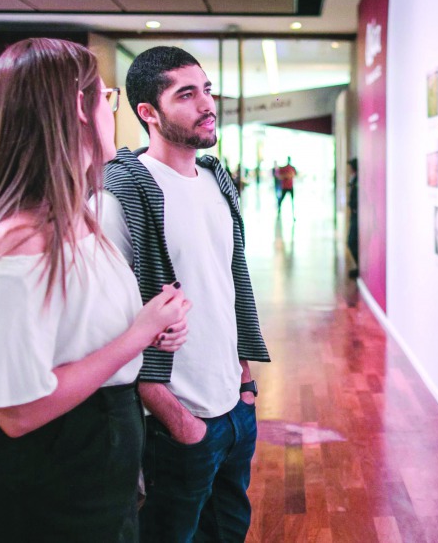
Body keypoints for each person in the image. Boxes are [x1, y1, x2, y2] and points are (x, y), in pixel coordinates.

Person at [0, 38, 190, 542]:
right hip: (53, 480)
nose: (112, 111)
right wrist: (138, 335)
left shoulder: (78, 214)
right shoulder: (18, 238)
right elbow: (18, 413)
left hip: (101, 463)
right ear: (78, 109)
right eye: (106, 97)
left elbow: (80, 336)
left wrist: (152, 326)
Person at [99, 46, 271, 542]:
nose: (206, 104)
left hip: (233, 407)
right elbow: (110, 324)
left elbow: (230, 285)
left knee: (228, 532)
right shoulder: (120, 196)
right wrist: (174, 416)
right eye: (187, 94)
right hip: (175, 420)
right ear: (148, 113)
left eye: (208, 90)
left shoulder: (217, 181)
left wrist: (244, 382)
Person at [347, 158, 359, 278]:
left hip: (357, 214)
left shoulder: (358, 180)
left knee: (351, 241)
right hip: (354, 213)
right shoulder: (354, 178)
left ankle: (359, 267)